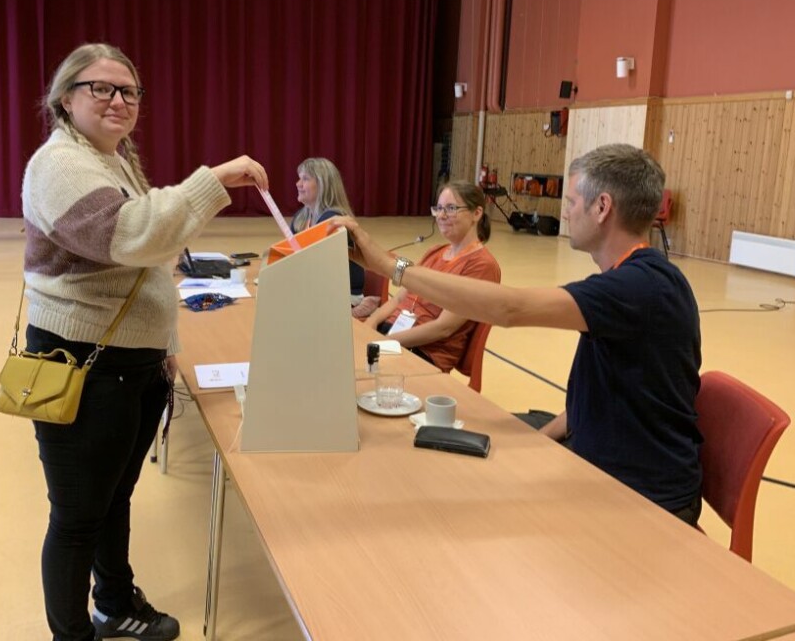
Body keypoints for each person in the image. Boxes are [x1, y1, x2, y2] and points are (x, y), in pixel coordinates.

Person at [21, 42, 268, 641]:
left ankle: (113, 601)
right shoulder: (61, 165)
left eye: (129, 91)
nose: (119, 101)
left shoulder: (112, 159)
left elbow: (146, 261)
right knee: (79, 516)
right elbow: (133, 236)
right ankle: (72, 632)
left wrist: (162, 338)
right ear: (65, 98)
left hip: (133, 364)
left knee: (114, 498)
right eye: (101, 88)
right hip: (84, 365)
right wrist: (212, 181)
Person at [333, 144, 703, 525]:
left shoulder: (640, 287)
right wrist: (544, 436)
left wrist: (389, 264)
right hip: (595, 450)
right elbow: (600, 396)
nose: (565, 211)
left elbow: (510, 309)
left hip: (639, 491)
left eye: (572, 201)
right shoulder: (630, 279)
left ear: (602, 207)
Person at [363, 181, 501, 372]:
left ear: (476, 213)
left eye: (451, 208)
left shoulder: (481, 265)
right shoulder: (434, 251)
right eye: (439, 208)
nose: (442, 215)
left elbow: (443, 327)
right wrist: (370, 323)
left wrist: (383, 343)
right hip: (393, 336)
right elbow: (399, 298)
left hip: (423, 351)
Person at [289, 157, 365, 301]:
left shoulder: (334, 218)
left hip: (344, 296)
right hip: (319, 289)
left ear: (323, 185)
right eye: (299, 178)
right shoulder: (301, 217)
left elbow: (317, 268)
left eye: (305, 179)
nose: (298, 184)